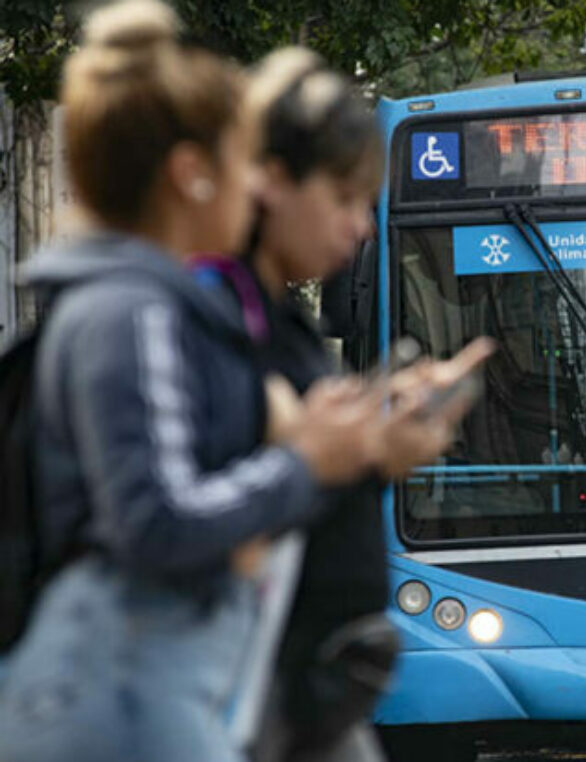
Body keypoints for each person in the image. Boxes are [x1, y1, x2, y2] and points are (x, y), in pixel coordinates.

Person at [0, 3, 462, 761]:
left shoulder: (144, 305)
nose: (256, 190)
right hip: (134, 698)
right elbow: (159, 520)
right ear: (193, 178)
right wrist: (306, 461)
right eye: (244, 162)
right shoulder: (135, 312)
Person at [203, 48, 492, 762]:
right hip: (239, 701)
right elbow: (208, 513)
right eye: (343, 199)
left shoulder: (282, 318)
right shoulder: (206, 318)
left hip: (307, 697)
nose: (363, 227)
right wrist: (354, 451)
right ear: (271, 182)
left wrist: (378, 439)